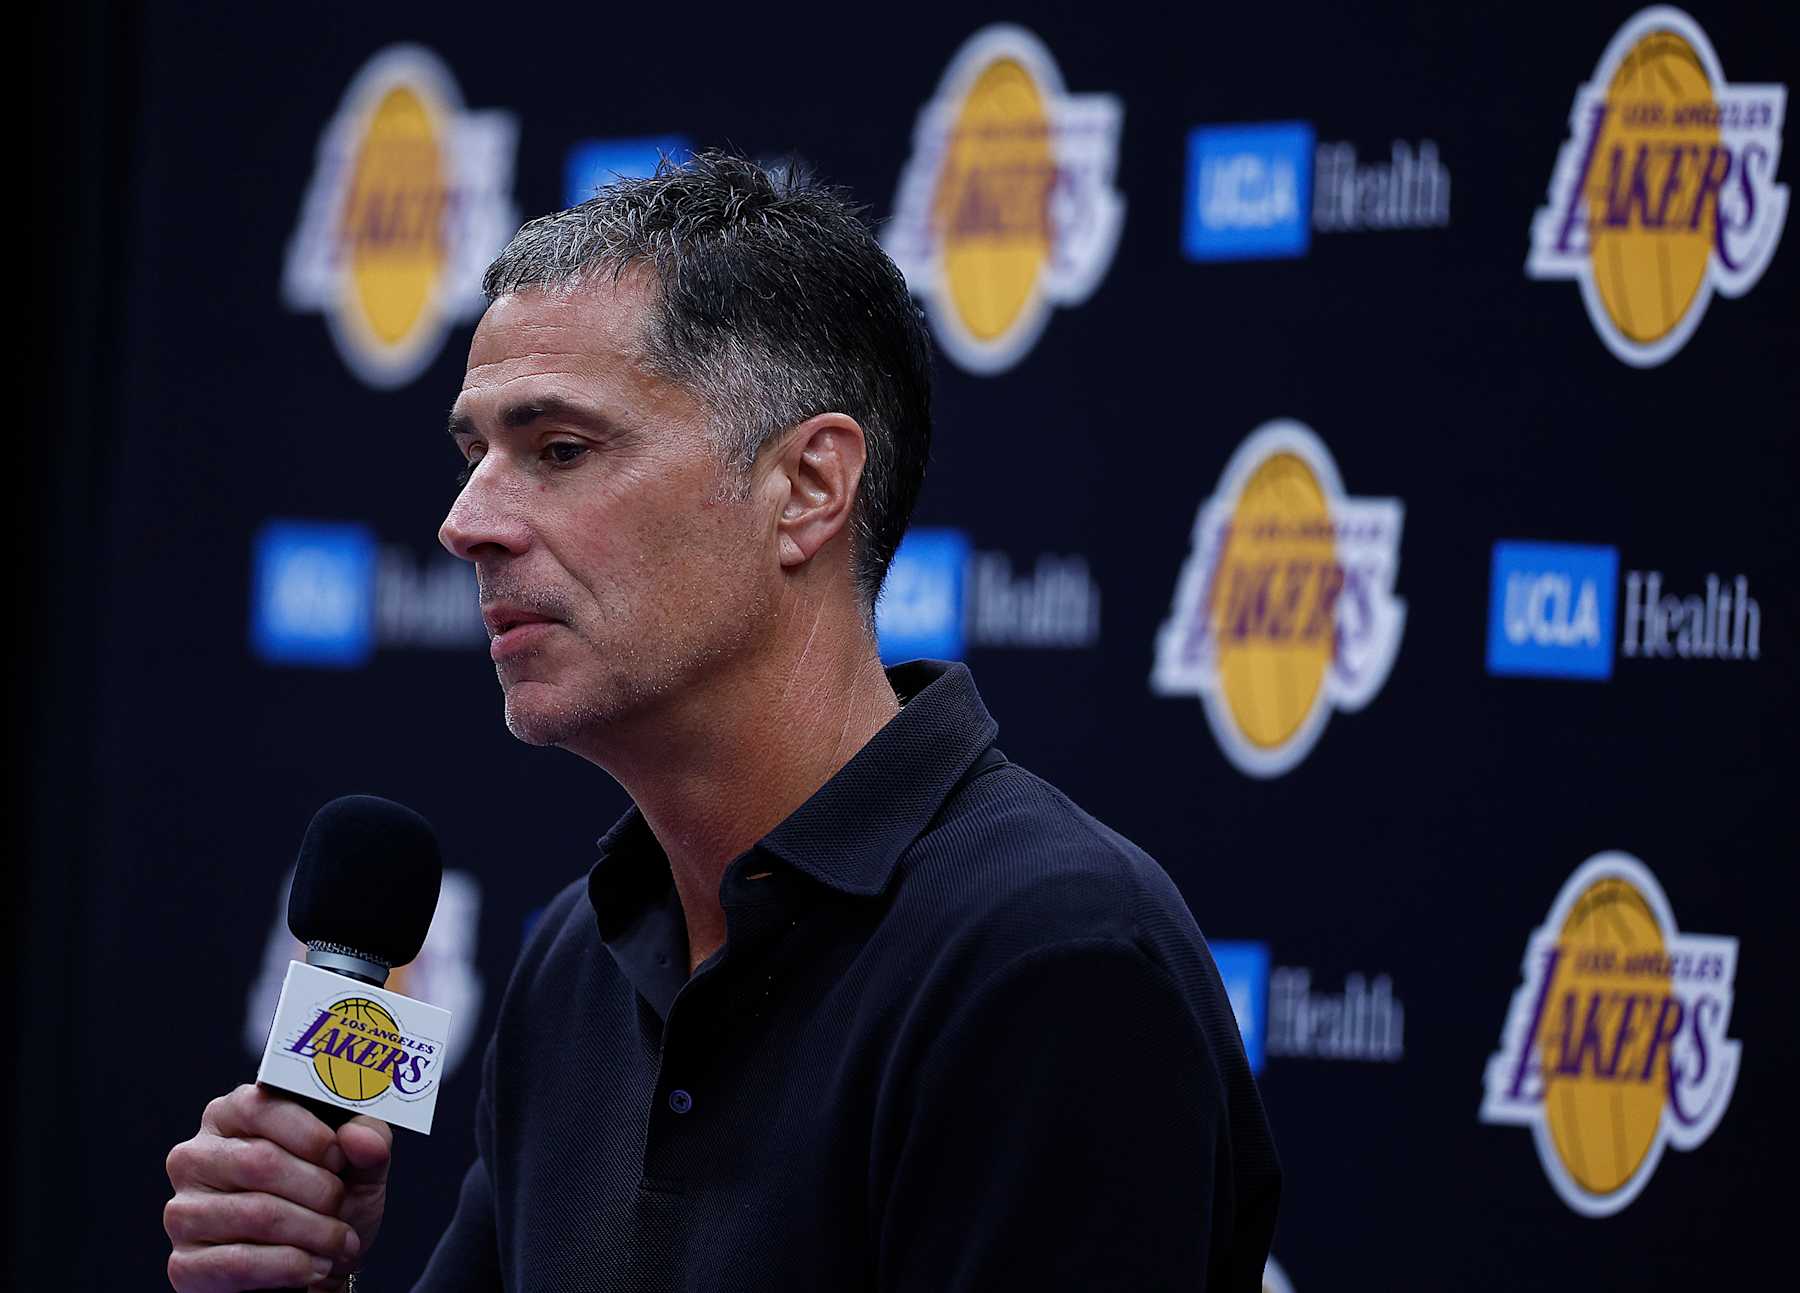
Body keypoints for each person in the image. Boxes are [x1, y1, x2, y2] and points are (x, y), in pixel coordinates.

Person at [164, 151, 1280, 1291]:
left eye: (559, 450)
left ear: (806, 488)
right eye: (473, 454)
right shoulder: (580, 955)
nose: (467, 523)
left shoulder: (1050, 957)